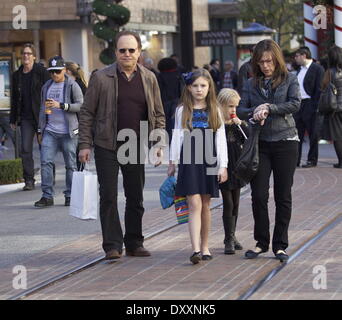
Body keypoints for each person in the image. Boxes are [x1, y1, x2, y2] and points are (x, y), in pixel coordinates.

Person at [78, 30, 165, 260]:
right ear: (115, 52)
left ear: (139, 52)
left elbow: (158, 113)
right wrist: (84, 144)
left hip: (135, 144)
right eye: (122, 50)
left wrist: (158, 143)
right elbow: (87, 112)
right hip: (107, 143)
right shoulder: (101, 77)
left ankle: (135, 243)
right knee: (108, 195)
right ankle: (112, 246)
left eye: (131, 50)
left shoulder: (149, 78)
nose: (127, 54)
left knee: (135, 196)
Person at [237, 39, 301, 262]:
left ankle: (280, 245)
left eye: (270, 61)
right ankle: (261, 242)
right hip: (261, 144)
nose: (266, 65)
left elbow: (295, 104)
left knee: (283, 195)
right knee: (259, 195)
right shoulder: (250, 83)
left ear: (277, 60)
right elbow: (240, 109)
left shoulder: (290, 79)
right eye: (262, 62)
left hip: (286, 141)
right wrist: (254, 111)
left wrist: (270, 108)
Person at [167, 68, 228, 264]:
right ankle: (194, 249)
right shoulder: (181, 110)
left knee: (206, 204)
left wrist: (223, 165)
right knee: (193, 203)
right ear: (189, 88)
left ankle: (205, 246)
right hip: (189, 159)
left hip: (209, 158)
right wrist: (172, 162)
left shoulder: (215, 110)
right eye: (195, 86)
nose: (199, 89)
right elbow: (177, 136)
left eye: (203, 85)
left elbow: (221, 139)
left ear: (209, 87)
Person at [34, 56, 83, 208]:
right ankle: (47, 196)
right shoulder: (46, 86)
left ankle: (70, 195)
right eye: (52, 72)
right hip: (50, 131)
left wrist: (62, 105)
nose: (55, 74)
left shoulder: (72, 85)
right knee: (45, 162)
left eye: (57, 71)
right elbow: (44, 109)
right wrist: (40, 129)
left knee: (71, 165)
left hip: (68, 132)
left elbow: (81, 105)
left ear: (64, 70)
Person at [10, 43, 50, 191]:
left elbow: (49, 93)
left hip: (41, 116)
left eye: (28, 53)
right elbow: (14, 98)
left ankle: (48, 179)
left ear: (34, 56)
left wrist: (49, 114)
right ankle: (29, 181)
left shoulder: (41, 72)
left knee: (45, 148)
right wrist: (13, 118)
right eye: (24, 53)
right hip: (26, 118)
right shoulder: (17, 75)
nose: (26, 56)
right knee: (25, 149)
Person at [217, 88, 248, 254]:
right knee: (227, 202)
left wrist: (241, 124)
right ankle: (228, 239)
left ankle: (232, 234)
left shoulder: (237, 125)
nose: (233, 110)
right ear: (221, 106)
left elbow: (248, 140)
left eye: (235, 107)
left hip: (237, 167)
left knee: (236, 202)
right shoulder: (217, 124)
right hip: (223, 167)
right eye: (230, 106)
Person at [294, 46, 324, 168]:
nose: (295, 59)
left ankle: (312, 160)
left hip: (310, 104)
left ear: (303, 55)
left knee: (313, 134)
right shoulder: (299, 70)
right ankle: (296, 160)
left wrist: (315, 105)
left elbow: (319, 89)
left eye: (297, 56)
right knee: (297, 134)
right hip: (298, 105)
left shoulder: (317, 68)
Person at [320, 46, 342, 168]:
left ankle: (341, 162)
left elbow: (323, 87)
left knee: (338, 137)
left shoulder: (330, 72)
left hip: (335, 108)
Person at [65, 61, 88, 171]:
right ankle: (79, 173)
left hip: (78, 124)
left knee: (76, 150)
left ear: (68, 72)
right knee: (76, 150)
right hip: (80, 123)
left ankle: (78, 176)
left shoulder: (76, 85)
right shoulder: (81, 83)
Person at [157, 57, 184, 141]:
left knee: (164, 123)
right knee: (175, 123)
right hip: (176, 102)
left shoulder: (159, 76)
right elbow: (181, 89)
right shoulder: (178, 75)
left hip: (163, 102)